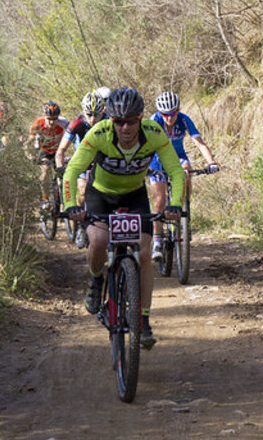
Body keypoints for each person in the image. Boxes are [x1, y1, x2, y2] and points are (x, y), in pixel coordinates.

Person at [62, 87, 186, 349]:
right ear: (112, 121)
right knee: (97, 242)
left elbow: (175, 170)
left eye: (131, 121)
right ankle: (96, 280)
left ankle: (143, 320)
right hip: (101, 195)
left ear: (140, 118)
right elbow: (72, 170)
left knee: (143, 256)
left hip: (134, 196)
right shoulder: (98, 134)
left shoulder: (154, 133)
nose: (125, 128)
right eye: (119, 122)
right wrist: (72, 205)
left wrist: (174, 204)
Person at [146, 91, 219, 261]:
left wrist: (211, 162)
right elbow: (145, 144)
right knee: (159, 200)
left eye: (173, 113)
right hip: (157, 160)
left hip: (177, 158)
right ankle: (157, 240)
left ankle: (184, 206)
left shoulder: (184, 119)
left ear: (178, 111)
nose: (169, 118)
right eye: (165, 114)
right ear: (159, 113)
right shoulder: (153, 121)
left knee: (186, 170)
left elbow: (199, 142)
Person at [54, 91, 108, 248]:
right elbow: (61, 150)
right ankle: (80, 228)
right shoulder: (76, 123)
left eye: (96, 114)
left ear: (102, 111)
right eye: (89, 114)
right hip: (82, 162)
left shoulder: (109, 121)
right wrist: (60, 168)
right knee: (83, 191)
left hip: (103, 161)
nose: (92, 118)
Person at [24, 101, 69, 206]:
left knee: (63, 174)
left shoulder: (64, 123)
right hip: (44, 151)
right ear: (44, 116)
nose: (52, 122)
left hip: (58, 151)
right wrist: (30, 156)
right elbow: (27, 144)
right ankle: (45, 199)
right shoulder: (37, 125)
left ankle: (63, 200)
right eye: (49, 119)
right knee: (45, 170)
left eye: (55, 119)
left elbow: (74, 136)